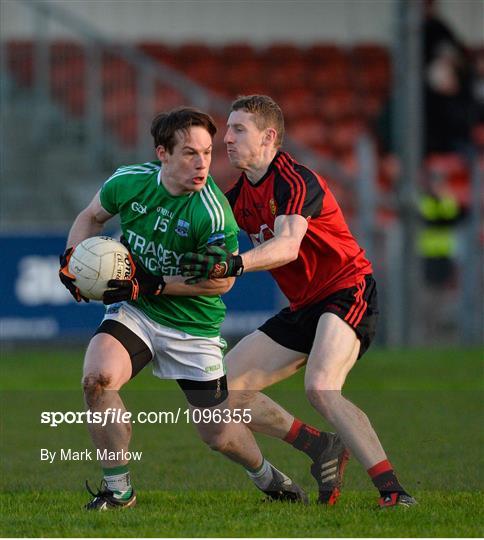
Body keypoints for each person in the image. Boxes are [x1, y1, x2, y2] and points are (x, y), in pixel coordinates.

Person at [58, 107, 307, 510]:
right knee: (97, 381)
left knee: (218, 435)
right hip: (137, 311)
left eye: (208, 153)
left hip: (194, 327)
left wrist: (157, 283)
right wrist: (72, 259)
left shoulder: (211, 212)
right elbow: (91, 217)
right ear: (163, 154)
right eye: (190, 153)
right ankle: (118, 491)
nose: (202, 163)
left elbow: (222, 281)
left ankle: (267, 476)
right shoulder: (129, 182)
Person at [181, 95, 416, 508]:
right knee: (222, 394)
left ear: (269, 136)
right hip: (304, 306)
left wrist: (232, 264)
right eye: (228, 129)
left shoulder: (294, 179)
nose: (227, 139)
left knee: (321, 387)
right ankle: (319, 446)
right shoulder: (236, 198)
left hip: (347, 290)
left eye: (238, 130)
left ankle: (394, 492)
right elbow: (204, 238)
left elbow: (288, 247)